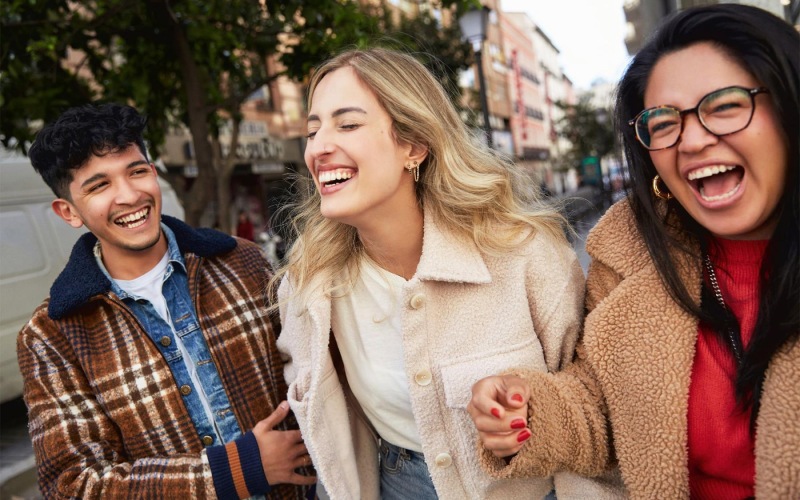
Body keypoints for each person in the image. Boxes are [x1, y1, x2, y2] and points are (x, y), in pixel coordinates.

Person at [469, 5, 799, 499]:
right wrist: (528, 412)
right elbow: (603, 406)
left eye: (726, 105)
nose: (690, 139)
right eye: (663, 122)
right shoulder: (628, 251)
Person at [269, 47, 597, 499]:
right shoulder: (309, 286)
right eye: (313, 129)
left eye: (347, 124)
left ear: (414, 146)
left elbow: (591, 396)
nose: (319, 147)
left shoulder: (523, 253)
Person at [18, 103, 316, 499]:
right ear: (68, 212)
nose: (129, 195)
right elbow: (73, 485)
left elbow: (311, 376)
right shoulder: (52, 333)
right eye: (99, 185)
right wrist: (235, 470)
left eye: (137, 171)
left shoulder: (241, 261)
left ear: (154, 174)